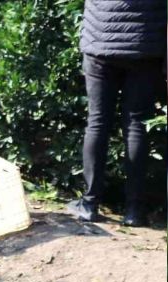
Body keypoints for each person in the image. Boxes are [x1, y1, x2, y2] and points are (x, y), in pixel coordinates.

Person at [67, 0, 166, 225]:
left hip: (100, 40)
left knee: (98, 122)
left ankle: (90, 204)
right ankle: (134, 211)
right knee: (137, 125)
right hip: (144, 43)